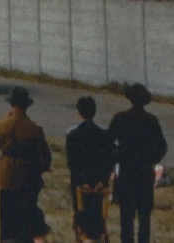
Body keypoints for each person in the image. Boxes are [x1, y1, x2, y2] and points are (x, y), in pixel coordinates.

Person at [0, 86, 52, 243]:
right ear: (26, 106)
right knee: (26, 216)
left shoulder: (1, 125)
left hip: (7, 176)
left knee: (7, 216)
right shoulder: (34, 129)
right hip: (28, 178)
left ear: (12, 104)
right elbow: (45, 159)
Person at [108, 83, 167, 243]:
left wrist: (117, 157)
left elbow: (107, 143)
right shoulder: (151, 121)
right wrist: (152, 159)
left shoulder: (120, 118)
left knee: (126, 218)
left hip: (126, 173)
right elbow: (162, 146)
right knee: (144, 219)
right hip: (144, 174)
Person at [66, 96, 115, 242]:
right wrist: (103, 180)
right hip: (98, 184)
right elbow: (110, 160)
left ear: (79, 112)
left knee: (80, 217)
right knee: (98, 217)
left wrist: (81, 182)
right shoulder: (104, 135)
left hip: (80, 185)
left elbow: (72, 163)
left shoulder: (73, 135)